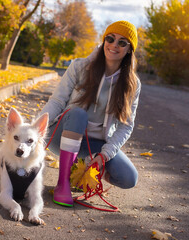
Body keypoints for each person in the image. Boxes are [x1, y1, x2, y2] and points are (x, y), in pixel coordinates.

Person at [39, 20, 141, 207]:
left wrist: (104, 156)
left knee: (128, 178)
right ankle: (63, 184)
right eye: (110, 39)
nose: (114, 45)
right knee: (78, 114)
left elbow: (127, 126)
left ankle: (82, 172)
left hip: (94, 144)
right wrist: (35, 130)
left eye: (122, 42)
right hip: (63, 134)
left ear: (129, 49)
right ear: (104, 41)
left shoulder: (132, 84)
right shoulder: (79, 67)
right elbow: (57, 101)